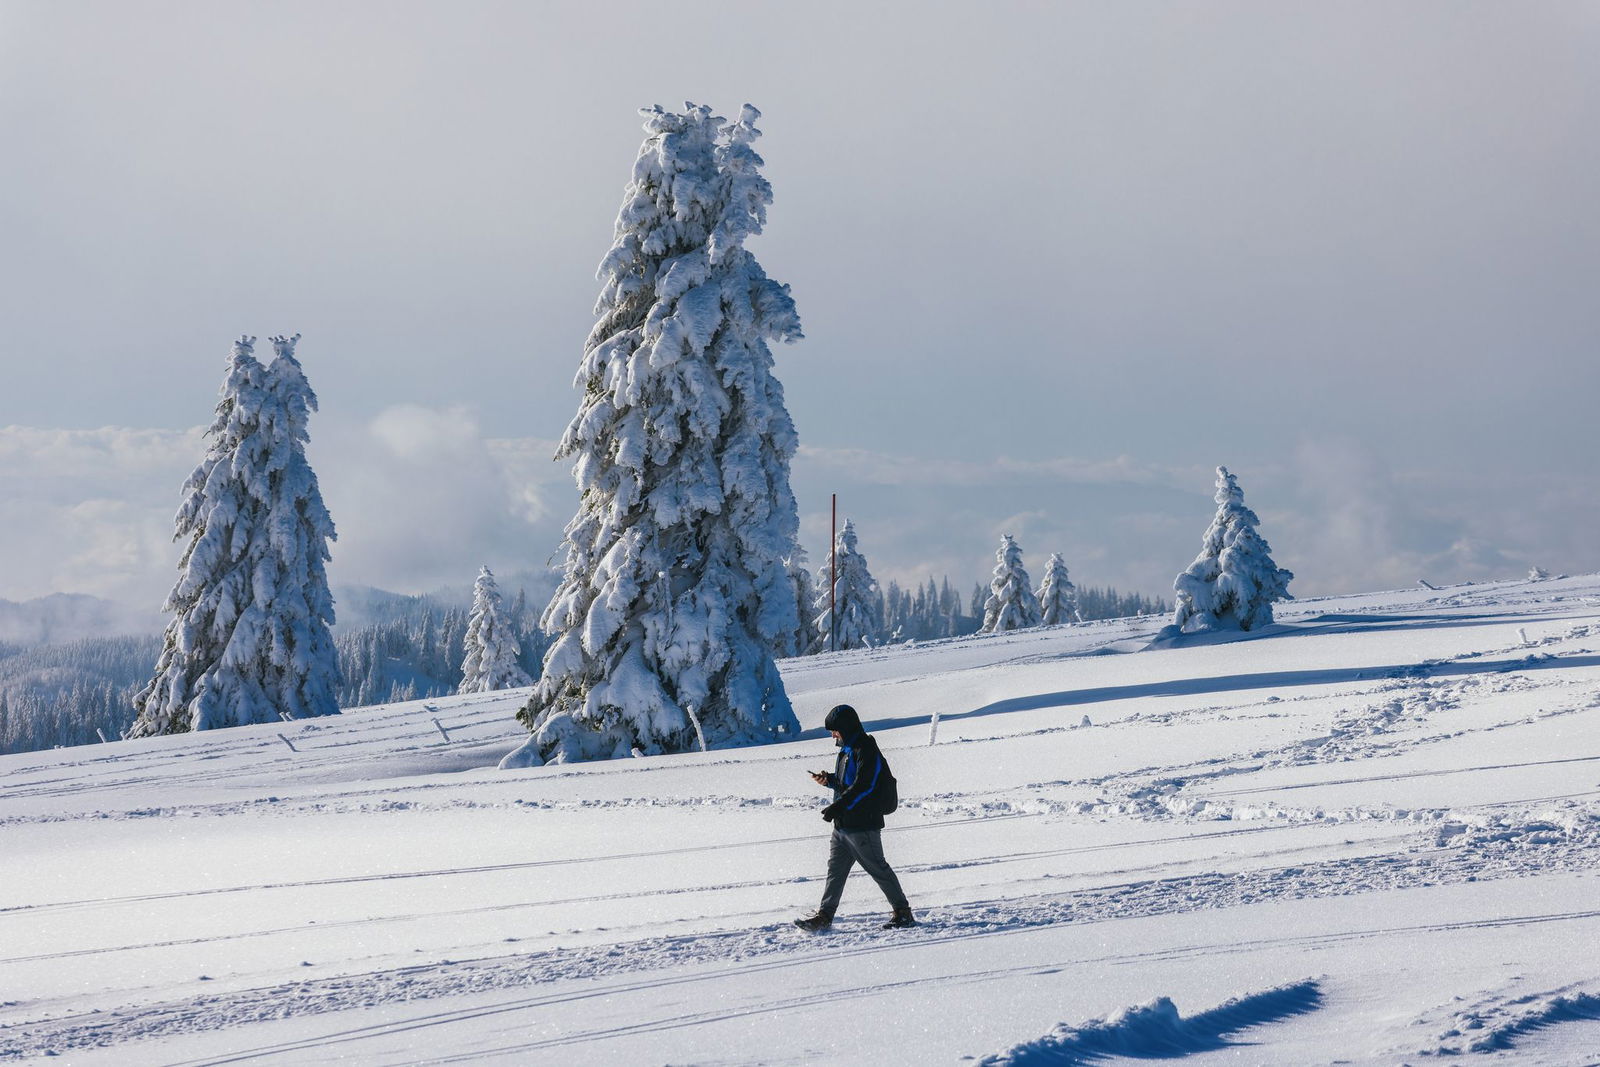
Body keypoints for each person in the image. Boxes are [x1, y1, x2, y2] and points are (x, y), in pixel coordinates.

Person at [795, 703, 915, 931]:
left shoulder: (866, 749)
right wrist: (828, 780)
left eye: (835, 730)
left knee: (878, 869)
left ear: (845, 727)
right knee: (835, 872)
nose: (832, 735)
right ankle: (824, 916)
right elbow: (846, 783)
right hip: (842, 827)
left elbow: (865, 786)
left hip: (862, 825)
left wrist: (837, 807)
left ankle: (903, 913)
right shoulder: (847, 750)